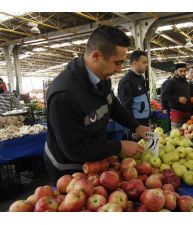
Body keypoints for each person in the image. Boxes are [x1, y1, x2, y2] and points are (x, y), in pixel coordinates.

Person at [44, 25, 151, 184]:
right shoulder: (64, 95)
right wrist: (118, 146)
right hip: (70, 168)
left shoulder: (102, 79)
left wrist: (136, 126)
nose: (120, 69)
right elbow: (75, 149)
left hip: (95, 157)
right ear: (96, 56)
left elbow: (113, 106)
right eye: (117, 63)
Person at [118, 50, 150, 140]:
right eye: (144, 62)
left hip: (144, 123)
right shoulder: (127, 81)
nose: (146, 65)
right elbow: (126, 108)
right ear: (135, 63)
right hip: (135, 126)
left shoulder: (141, 79)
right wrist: (133, 129)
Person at [161, 62, 190, 127]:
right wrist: (178, 99)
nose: (183, 73)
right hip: (176, 114)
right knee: (176, 133)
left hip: (187, 113)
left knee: (186, 133)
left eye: (185, 71)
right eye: (181, 71)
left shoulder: (186, 82)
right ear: (176, 71)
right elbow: (164, 95)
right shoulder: (172, 82)